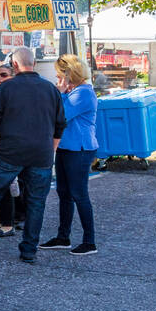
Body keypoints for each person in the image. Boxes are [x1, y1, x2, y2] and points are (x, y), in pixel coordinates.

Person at [0, 47, 66, 263]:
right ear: (34, 63)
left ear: (15, 65)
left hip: (10, 153)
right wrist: (51, 148)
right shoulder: (50, 89)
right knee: (37, 203)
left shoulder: (8, 88)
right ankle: (29, 249)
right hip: (41, 154)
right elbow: (60, 124)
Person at [41, 54, 99, 255]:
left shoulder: (83, 93)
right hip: (67, 148)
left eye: (60, 76)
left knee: (79, 193)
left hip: (80, 149)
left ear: (69, 75)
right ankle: (63, 237)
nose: (58, 80)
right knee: (64, 193)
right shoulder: (76, 91)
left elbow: (61, 115)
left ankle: (89, 241)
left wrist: (61, 92)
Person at [0, 64, 28, 235]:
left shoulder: (13, 93)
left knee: (5, 184)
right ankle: (1, 222)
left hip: (5, 144)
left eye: (3, 75)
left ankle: (7, 223)